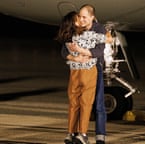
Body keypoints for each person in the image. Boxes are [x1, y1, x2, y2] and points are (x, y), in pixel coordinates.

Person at [58, 4, 109, 144]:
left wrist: (82, 52)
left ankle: (99, 136)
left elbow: (99, 51)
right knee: (75, 103)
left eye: (84, 17)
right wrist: (75, 57)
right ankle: (73, 133)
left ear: (92, 17)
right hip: (76, 70)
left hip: (94, 68)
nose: (81, 19)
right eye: (79, 17)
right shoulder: (77, 29)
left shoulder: (98, 29)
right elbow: (64, 51)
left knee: (96, 104)